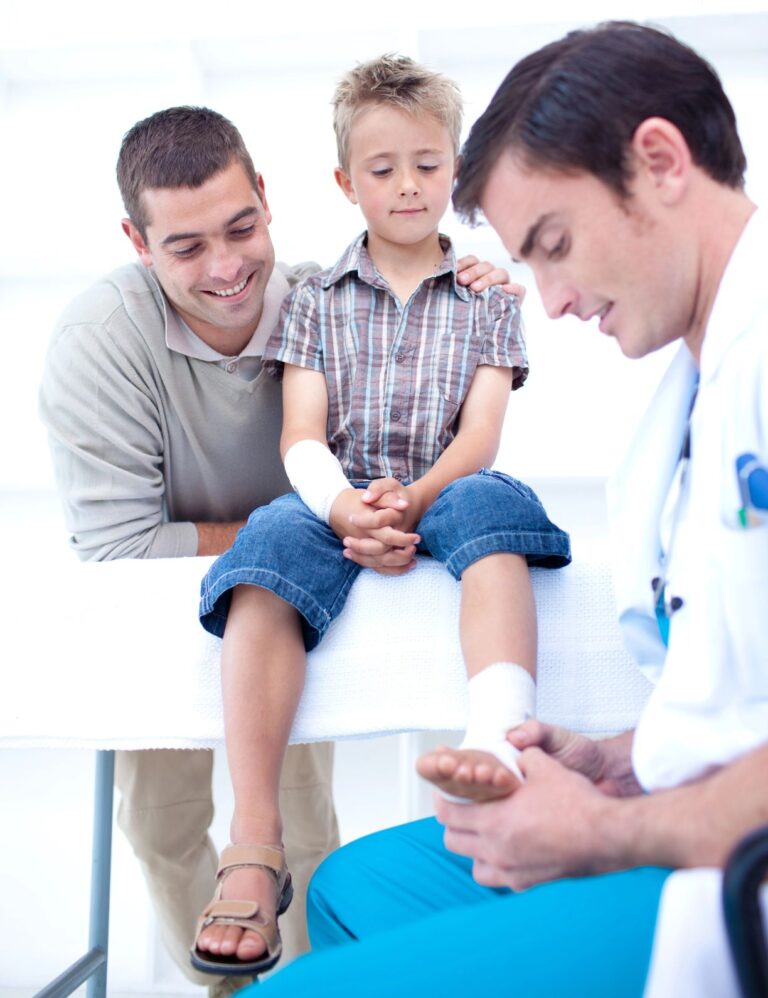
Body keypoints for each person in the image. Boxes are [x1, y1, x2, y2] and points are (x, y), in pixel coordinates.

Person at [243, 21, 768, 997]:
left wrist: (613, 828)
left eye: (556, 244)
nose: (553, 301)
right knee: (353, 888)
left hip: (733, 876)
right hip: (680, 801)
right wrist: (619, 759)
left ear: (658, 161)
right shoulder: (696, 383)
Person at [37, 104, 515, 997]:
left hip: (288, 607)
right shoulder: (96, 343)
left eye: (241, 227)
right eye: (185, 248)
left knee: (299, 815)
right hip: (167, 603)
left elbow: (422, 396)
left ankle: (315, 986)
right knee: (163, 824)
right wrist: (307, 523)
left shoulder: (326, 304)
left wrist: (471, 282)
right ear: (137, 242)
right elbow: (120, 549)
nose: (225, 268)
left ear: (266, 197)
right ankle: (234, 989)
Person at [192, 55, 570, 978]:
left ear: (457, 170)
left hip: (448, 481)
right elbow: (301, 432)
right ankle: (253, 842)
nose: (408, 186)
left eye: (429, 164)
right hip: (337, 493)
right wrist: (344, 508)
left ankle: (497, 742)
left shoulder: (487, 296)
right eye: (383, 168)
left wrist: (420, 498)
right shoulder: (316, 300)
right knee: (269, 543)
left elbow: (481, 433)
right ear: (344, 182)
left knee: (493, 512)